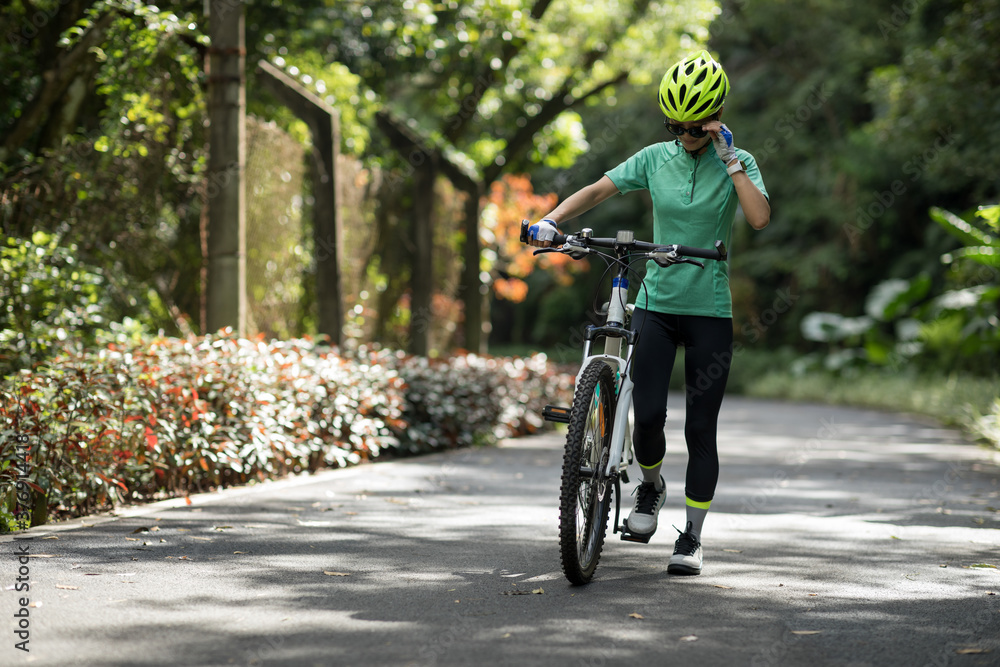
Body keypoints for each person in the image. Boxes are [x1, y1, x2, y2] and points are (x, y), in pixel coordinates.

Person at [527, 50, 769, 576]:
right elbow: (597, 189)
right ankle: (651, 488)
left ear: (714, 119)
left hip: (709, 308)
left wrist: (729, 159)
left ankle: (693, 539)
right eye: (675, 125)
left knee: (700, 429)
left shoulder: (738, 161)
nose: (684, 134)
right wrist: (550, 219)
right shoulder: (655, 157)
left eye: (694, 126)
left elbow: (758, 218)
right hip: (656, 305)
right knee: (649, 417)